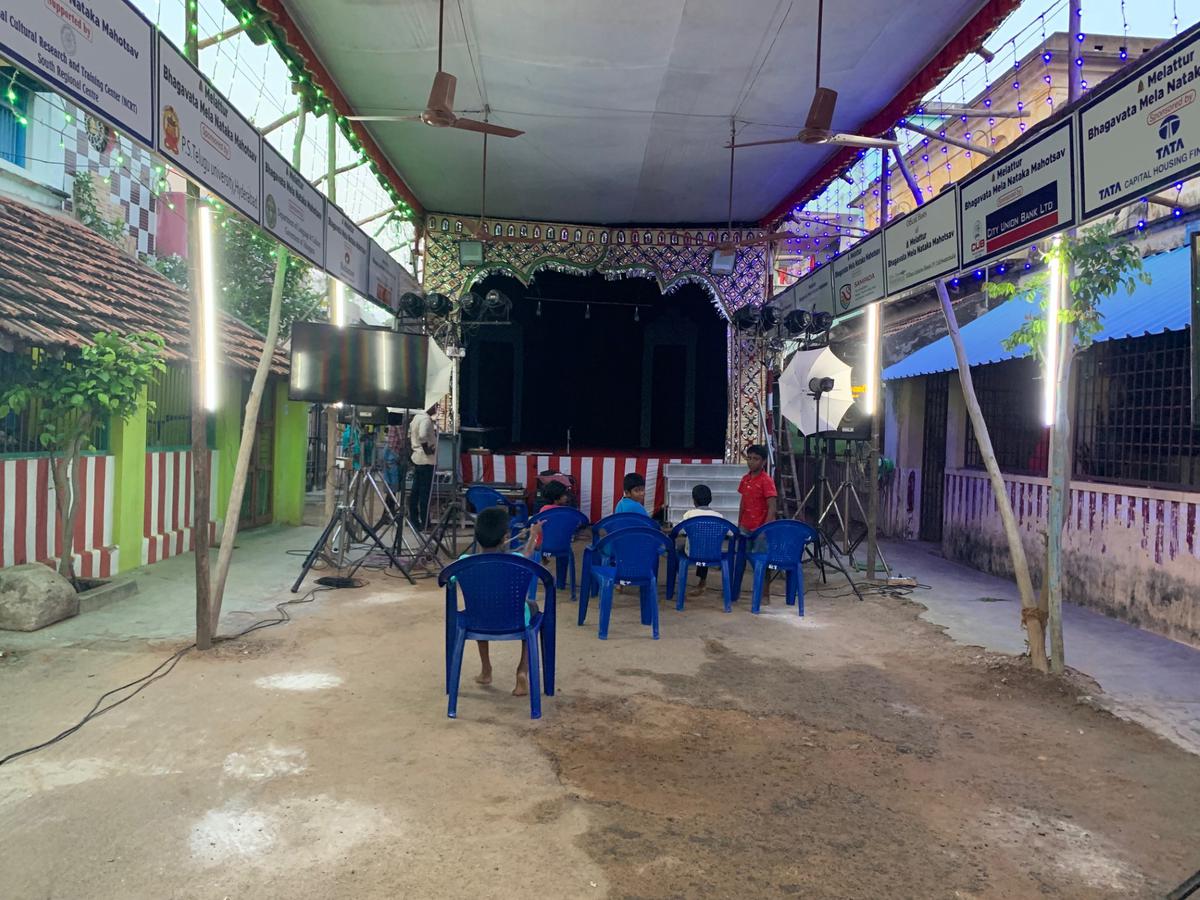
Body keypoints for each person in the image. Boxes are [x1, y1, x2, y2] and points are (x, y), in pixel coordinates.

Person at [466, 507, 543, 696]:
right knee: (532, 607)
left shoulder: (464, 561)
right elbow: (527, 556)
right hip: (514, 620)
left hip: (479, 621)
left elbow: (447, 580)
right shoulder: (516, 561)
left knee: (478, 608)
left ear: (477, 536)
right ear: (505, 536)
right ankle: (522, 671)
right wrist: (533, 535)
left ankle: (486, 670)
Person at [677, 484, 715, 597]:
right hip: (712, 554)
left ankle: (679, 577)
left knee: (678, 549)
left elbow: (678, 531)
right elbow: (731, 533)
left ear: (694, 500)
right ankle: (702, 582)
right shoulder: (718, 516)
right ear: (710, 499)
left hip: (692, 553)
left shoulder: (689, 515)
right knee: (705, 547)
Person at [408, 403, 439, 529]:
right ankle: (425, 522)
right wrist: (427, 450)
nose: (436, 409)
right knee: (425, 493)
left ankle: (414, 520)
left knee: (415, 491)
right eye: (435, 406)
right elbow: (422, 436)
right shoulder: (426, 419)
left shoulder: (416, 417)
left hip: (417, 458)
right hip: (426, 460)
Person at [738, 444, 777, 534]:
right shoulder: (745, 479)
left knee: (759, 549)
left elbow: (772, 507)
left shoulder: (766, 481)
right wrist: (739, 523)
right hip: (744, 526)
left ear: (764, 461)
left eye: (756, 459)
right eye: (749, 458)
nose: (751, 462)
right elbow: (743, 503)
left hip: (761, 528)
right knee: (742, 548)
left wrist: (765, 529)